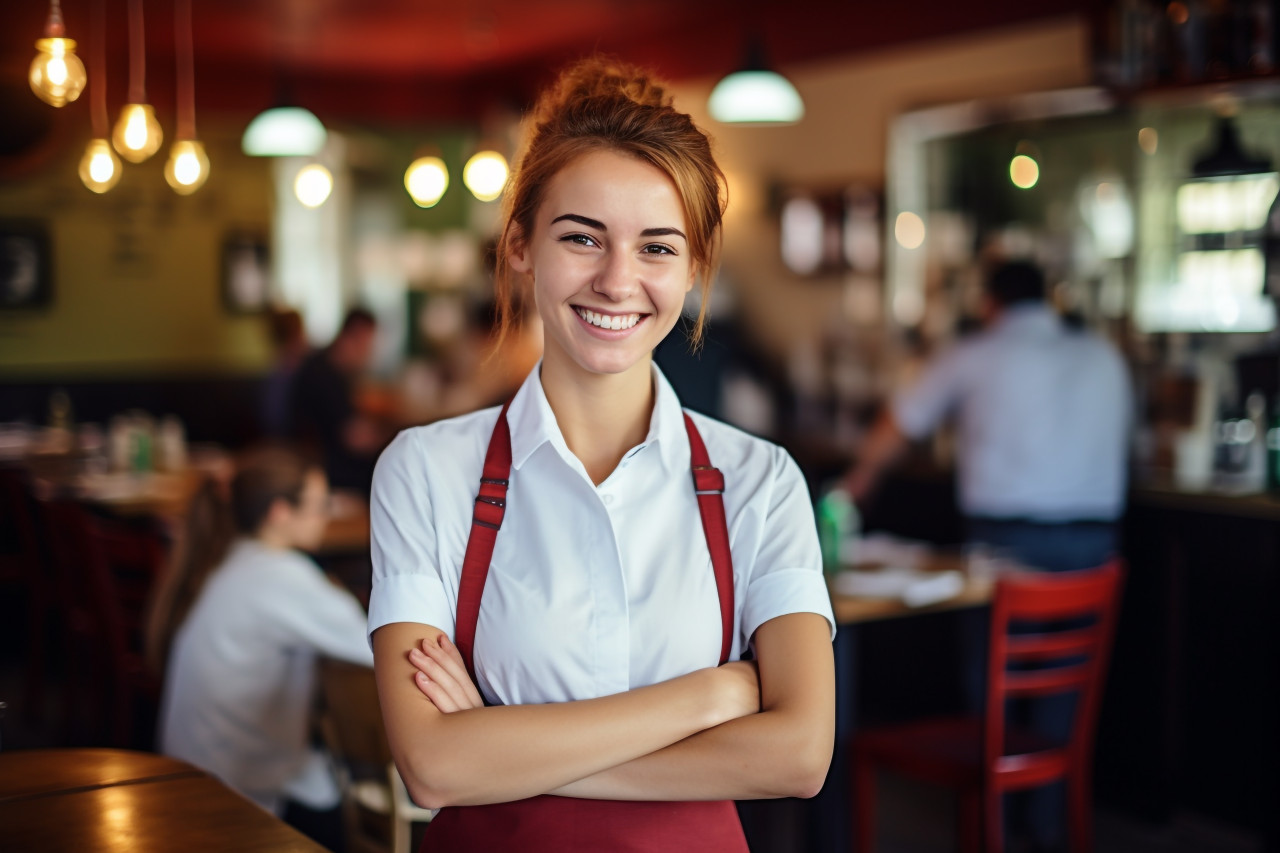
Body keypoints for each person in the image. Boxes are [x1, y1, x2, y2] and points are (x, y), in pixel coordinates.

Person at [369, 57, 836, 851]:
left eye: (657, 248)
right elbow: (433, 767)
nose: (618, 280)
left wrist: (501, 744)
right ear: (520, 245)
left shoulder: (761, 481)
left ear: (694, 266)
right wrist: (713, 695)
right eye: (582, 237)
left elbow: (798, 755)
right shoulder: (424, 471)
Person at [842, 258, 1132, 852]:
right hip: (1097, 552)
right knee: (1060, 702)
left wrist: (858, 482)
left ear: (989, 303)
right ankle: (1044, 827)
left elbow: (901, 424)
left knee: (992, 702)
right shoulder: (1103, 355)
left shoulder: (974, 351)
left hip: (1006, 549)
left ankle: (992, 827)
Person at [148, 447, 373, 842]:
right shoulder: (283, 578)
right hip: (236, 791)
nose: (327, 515)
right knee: (345, 787)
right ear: (280, 513)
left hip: (191, 768)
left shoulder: (233, 557)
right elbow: (378, 646)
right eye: (321, 505)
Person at [291, 307, 386, 493]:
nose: (368, 353)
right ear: (353, 337)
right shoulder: (323, 375)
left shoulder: (325, 365)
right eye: (367, 346)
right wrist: (393, 438)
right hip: (326, 467)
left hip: (323, 460)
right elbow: (354, 439)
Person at [261, 307, 309, 438]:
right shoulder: (284, 375)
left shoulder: (277, 371)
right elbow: (276, 420)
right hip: (289, 443)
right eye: (302, 331)